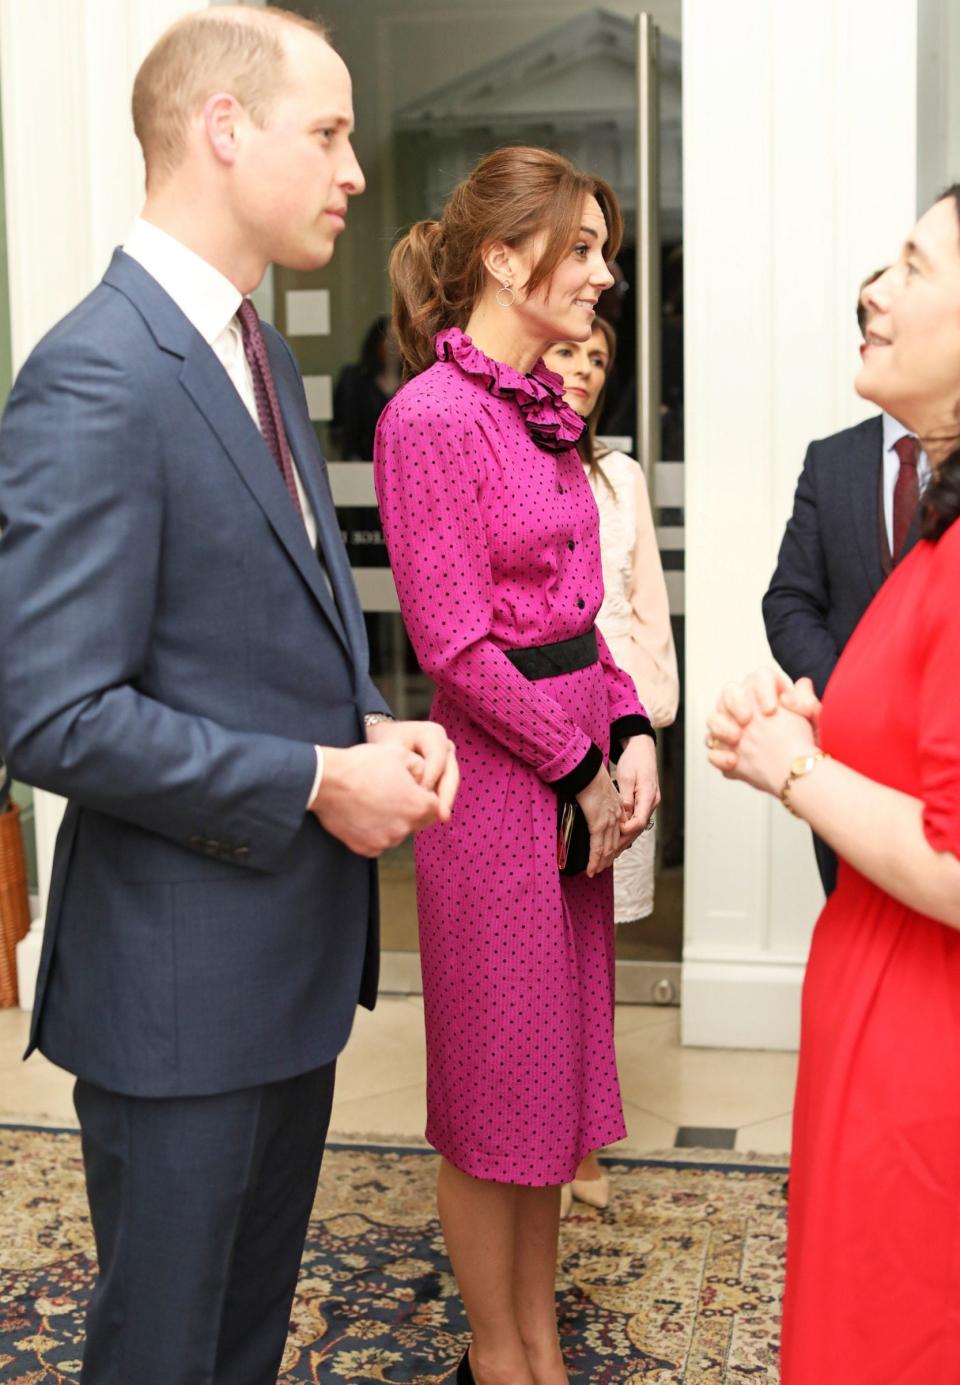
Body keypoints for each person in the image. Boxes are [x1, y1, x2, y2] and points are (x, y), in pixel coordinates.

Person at [0, 10, 457, 1384]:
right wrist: (322, 781)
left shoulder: (248, 355)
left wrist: (360, 731)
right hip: (176, 995)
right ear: (222, 128)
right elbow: (50, 711)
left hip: (279, 979)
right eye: (326, 132)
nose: (354, 171)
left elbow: (228, 647)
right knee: (163, 1353)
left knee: (241, 1347)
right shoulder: (98, 371)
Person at [374, 146, 660, 1385]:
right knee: (495, 1102)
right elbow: (456, 643)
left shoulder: (536, 408)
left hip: (568, 788)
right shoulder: (430, 417)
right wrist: (575, 767)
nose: (603, 274)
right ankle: (501, 1356)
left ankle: (542, 1345)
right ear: (502, 258)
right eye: (583, 248)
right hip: (492, 800)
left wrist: (629, 732)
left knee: (545, 1104)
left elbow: (577, 612)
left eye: (604, 248)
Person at [706, 184, 960, 1383]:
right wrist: (821, 721)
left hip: (926, 1064)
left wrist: (791, 765)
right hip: (884, 1033)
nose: (874, 288)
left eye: (909, 266)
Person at [543, 318, 678, 1214]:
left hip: (620, 729)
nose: (584, 371)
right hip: (543, 727)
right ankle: (537, 1129)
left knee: (596, 949)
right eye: (569, 353)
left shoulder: (619, 475)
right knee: (540, 946)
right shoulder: (506, 454)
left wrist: (648, 726)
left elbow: (648, 611)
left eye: (598, 360)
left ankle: (584, 1141)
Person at [762, 269, 927, 895]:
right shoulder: (829, 461)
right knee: (853, 922)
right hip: (845, 749)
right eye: (871, 319)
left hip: (943, 747)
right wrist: (849, 693)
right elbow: (789, 600)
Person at [332, 314, 401, 459]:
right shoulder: (354, 379)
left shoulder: (412, 383)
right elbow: (339, 429)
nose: (393, 347)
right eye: (388, 340)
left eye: (398, 341)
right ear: (376, 343)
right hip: (358, 467)